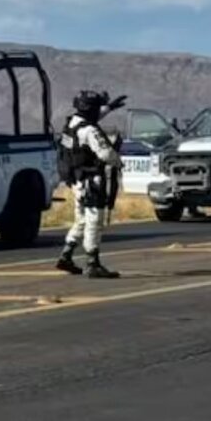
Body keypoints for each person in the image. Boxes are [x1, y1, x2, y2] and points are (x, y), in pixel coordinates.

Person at [56, 89, 126, 279]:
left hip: (77, 181)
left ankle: (66, 255)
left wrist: (109, 107)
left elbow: (89, 120)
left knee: (81, 220)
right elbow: (105, 154)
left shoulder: (71, 124)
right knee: (94, 222)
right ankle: (92, 263)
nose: (98, 111)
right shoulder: (91, 131)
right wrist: (118, 161)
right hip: (91, 182)